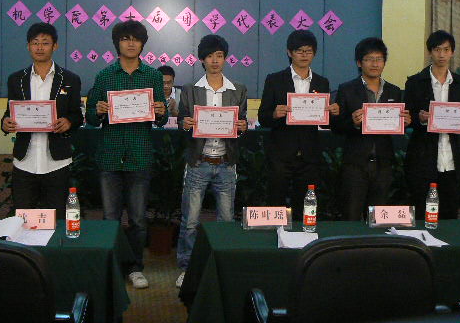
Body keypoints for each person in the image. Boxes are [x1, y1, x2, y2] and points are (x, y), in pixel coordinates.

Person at [86, 20, 168, 289]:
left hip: (139, 155)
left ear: (142, 44)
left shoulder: (152, 76)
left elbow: (160, 118)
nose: (131, 43)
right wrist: (98, 110)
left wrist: (161, 111)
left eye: (135, 39)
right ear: (117, 43)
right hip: (110, 155)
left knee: (138, 219)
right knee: (109, 218)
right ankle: (110, 267)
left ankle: (135, 268)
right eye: (125, 39)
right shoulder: (104, 76)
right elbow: (90, 118)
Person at [175, 35, 248, 288]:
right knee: (190, 221)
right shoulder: (190, 89)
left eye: (219, 56)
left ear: (225, 58)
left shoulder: (238, 89)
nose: (215, 60)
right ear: (202, 60)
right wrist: (185, 124)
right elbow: (182, 122)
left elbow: (241, 124)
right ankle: (186, 267)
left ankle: (221, 266)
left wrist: (242, 127)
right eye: (209, 56)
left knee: (226, 221)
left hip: (226, 163)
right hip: (199, 162)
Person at [1, 23, 83, 215]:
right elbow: (9, 113)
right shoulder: (16, 79)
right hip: (25, 160)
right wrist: (5, 123)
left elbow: (77, 115)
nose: (39, 47)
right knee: (22, 216)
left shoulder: (70, 79)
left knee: (56, 216)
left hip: (57, 161)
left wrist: (69, 122)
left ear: (55, 46)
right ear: (28, 46)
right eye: (35, 43)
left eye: (45, 43)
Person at [257, 29, 339, 220]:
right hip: (281, 153)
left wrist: (333, 113)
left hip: (309, 154)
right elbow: (263, 117)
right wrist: (274, 113)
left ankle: (303, 236)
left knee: (305, 204)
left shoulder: (321, 82)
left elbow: (326, 123)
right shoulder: (275, 80)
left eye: (308, 51)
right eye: (299, 51)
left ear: (314, 54)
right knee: (276, 201)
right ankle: (275, 236)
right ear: (289, 52)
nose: (304, 55)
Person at [332, 37, 411, 221]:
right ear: (359, 63)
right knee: (351, 216)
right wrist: (352, 122)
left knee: (378, 218)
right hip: (355, 163)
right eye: (369, 59)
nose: (375, 64)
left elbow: (396, 125)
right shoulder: (347, 89)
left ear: (384, 62)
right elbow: (336, 126)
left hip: (383, 164)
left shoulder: (394, 91)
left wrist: (405, 122)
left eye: (379, 59)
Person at [404, 30, 460, 220]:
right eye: (437, 49)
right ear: (430, 52)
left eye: (446, 50)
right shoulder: (415, 82)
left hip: (452, 158)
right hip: (423, 157)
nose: (442, 54)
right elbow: (407, 117)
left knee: (449, 215)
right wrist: (419, 118)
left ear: (452, 52)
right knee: (423, 213)